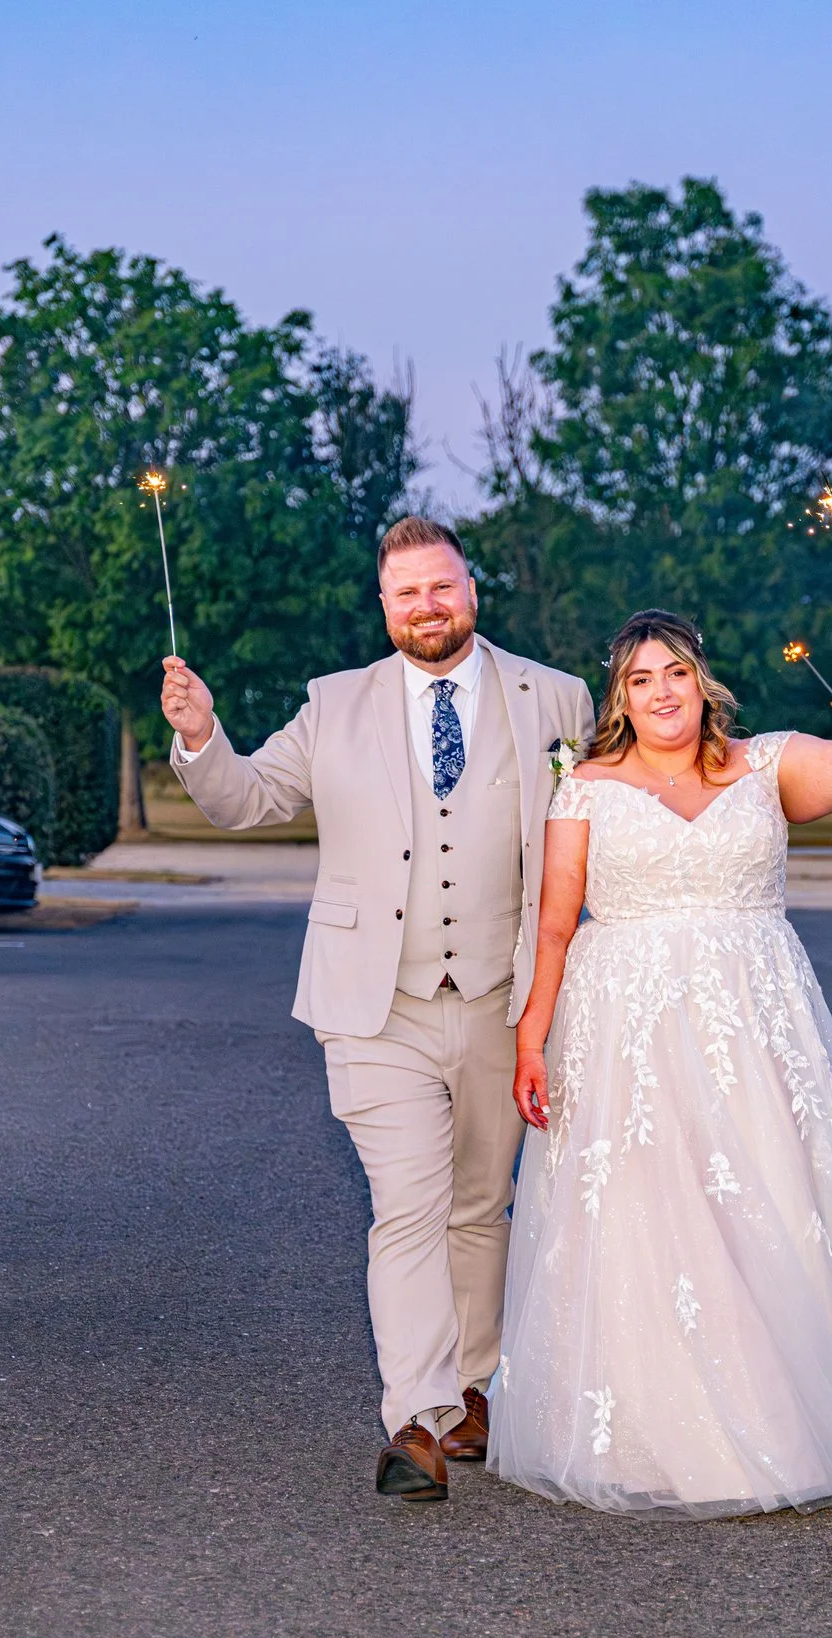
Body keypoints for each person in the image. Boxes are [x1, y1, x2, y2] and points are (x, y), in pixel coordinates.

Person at [161, 515, 596, 1502]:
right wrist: (199, 736)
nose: (426, 608)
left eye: (441, 589)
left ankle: (474, 1388)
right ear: (384, 604)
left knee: (482, 1207)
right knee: (408, 1206)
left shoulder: (555, 698)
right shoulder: (335, 704)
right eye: (407, 594)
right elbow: (245, 800)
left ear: (470, 590)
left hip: (502, 999)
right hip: (374, 1005)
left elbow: (590, 829)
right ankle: (417, 1416)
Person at [497, 610, 832, 1516]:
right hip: (625, 1019)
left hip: (755, 1019)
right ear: (621, 697)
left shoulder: (767, 761)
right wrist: (531, 1036)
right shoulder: (585, 787)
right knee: (650, 1206)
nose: (661, 692)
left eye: (674, 672)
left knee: (771, 1192)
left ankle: (802, 1407)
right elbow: (555, 923)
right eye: (640, 679)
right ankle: (653, 1423)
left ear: (701, 678)